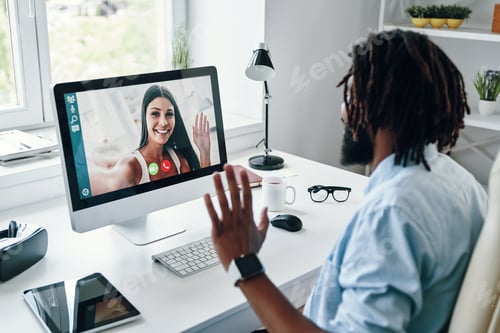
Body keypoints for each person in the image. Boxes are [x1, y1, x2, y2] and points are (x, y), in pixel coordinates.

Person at [203, 29, 488, 332]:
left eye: (350, 96)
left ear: (374, 106)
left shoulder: (391, 214)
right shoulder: (463, 183)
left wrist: (244, 264)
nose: (342, 112)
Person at [90, 84, 210, 194]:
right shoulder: (132, 164)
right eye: (155, 114)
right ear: (144, 117)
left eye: (169, 114)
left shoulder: (179, 159)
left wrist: (204, 152)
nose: (163, 122)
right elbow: (110, 182)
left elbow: (200, 192)